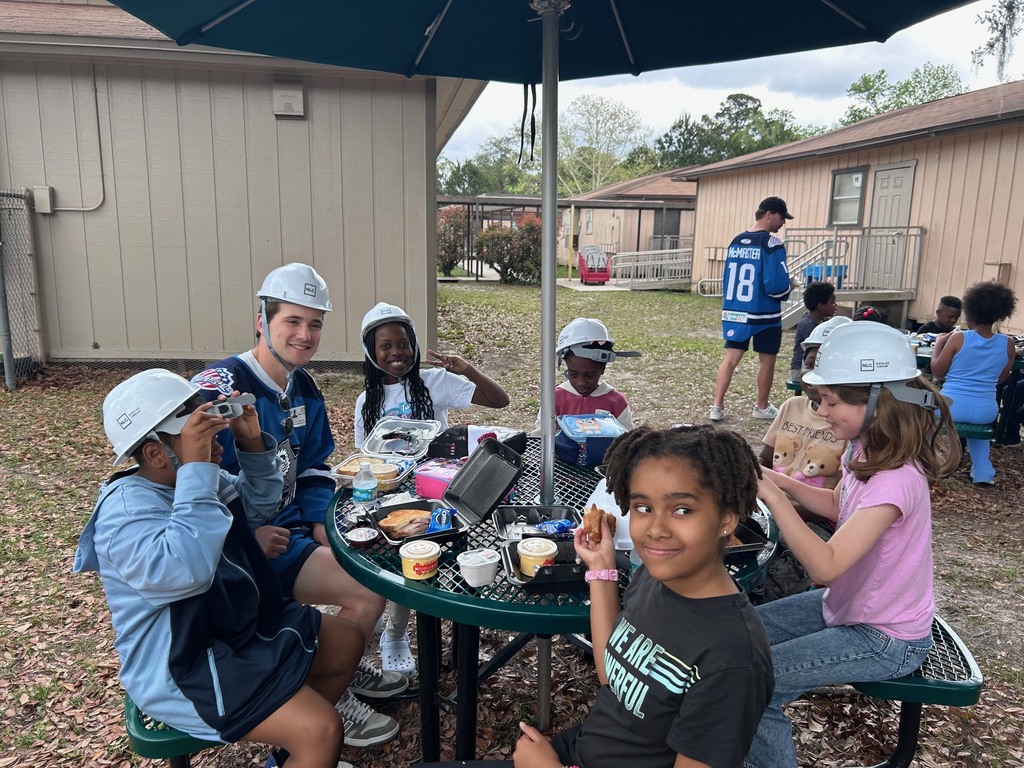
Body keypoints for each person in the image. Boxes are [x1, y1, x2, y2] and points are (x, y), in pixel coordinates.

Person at [74, 369, 363, 768]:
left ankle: (290, 757)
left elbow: (260, 506)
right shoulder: (126, 512)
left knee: (346, 642)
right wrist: (197, 474)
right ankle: (305, 747)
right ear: (156, 453)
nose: (214, 444)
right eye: (198, 436)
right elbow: (182, 572)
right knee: (322, 729)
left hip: (235, 624)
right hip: (182, 661)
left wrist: (252, 444)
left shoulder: (194, 479)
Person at [192, 264, 404, 750]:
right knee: (368, 593)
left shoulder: (303, 386)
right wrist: (242, 539)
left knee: (373, 581)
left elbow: (313, 464)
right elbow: (191, 486)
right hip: (241, 551)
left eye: (315, 323)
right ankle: (321, 699)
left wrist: (319, 523)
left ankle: (339, 670)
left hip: (290, 532)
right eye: (293, 321)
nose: (305, 335)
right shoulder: (220, 387)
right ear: (262, 320)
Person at [746, 322, 960, 768]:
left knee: (753, 684)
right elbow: (835, 505)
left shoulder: (896, 480)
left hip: (886, 637)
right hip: (845, 607)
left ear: (880, 402)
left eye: (832, 401)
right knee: (737, 634)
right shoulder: (863, 448)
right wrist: (768, 476)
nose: (821, 411)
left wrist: (773, 499)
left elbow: (826, 566)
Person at [509, 425, 773, 768]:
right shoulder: (654, 577)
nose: (655, 529)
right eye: (643, 507)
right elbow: (611, 674)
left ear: (727, 519)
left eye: (682, 510)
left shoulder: (733, 661)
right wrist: (602, 568)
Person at [356, 301, 510, 675]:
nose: (397, 353)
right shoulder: (367, 402)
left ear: (415, 345)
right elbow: (365, 458)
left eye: (404, 343)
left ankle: (397, 631)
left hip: (437, 492)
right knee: (385, 559)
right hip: (390, 494)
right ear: (371, 352)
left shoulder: (434, 383)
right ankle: (389, 625)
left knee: (420, 559)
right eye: (386, 346)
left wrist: (466, 368)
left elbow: (500, 400)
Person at [711, 196, 795, 423]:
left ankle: (717, 406)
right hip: (764, 314)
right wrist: (790, 285)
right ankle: (762, 405)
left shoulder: (736, 241)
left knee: (730, 359)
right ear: (769, 214)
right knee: (767, 360)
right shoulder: (772, 244)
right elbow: (775, 284)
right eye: (781, 217)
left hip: (736, 311)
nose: (782, 223)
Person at [929, 281, 1018, 486]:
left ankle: (930, 461)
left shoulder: (959, 338)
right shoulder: (1008, 344)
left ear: (969, 312)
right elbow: (1000, 380)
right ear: (999, 314)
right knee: (979, 432)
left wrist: (939, 344)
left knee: (925, 411)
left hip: (951, 405)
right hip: (986, 409)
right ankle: (983, 472)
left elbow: (937, 371)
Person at [761, 316, 850, 494]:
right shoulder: (792, 406)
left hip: (814, 516)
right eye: (809, 365)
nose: (814, 374)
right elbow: (764, 459)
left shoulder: (850, 425)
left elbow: (838, 499)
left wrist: (781, 506)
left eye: (826, 367)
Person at [532, 317, 638, 435]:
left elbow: (627, 442)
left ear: (602, 368)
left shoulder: (616, 402)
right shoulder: (554, 399)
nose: (581, 382)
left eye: (589, 375)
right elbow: (540, 436)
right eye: (573, 374)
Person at [788, 281, 836, 382]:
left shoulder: (822, 321)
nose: (835, 306)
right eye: (832, 303)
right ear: (820, 306)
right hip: (801, 370)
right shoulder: (809, 325)